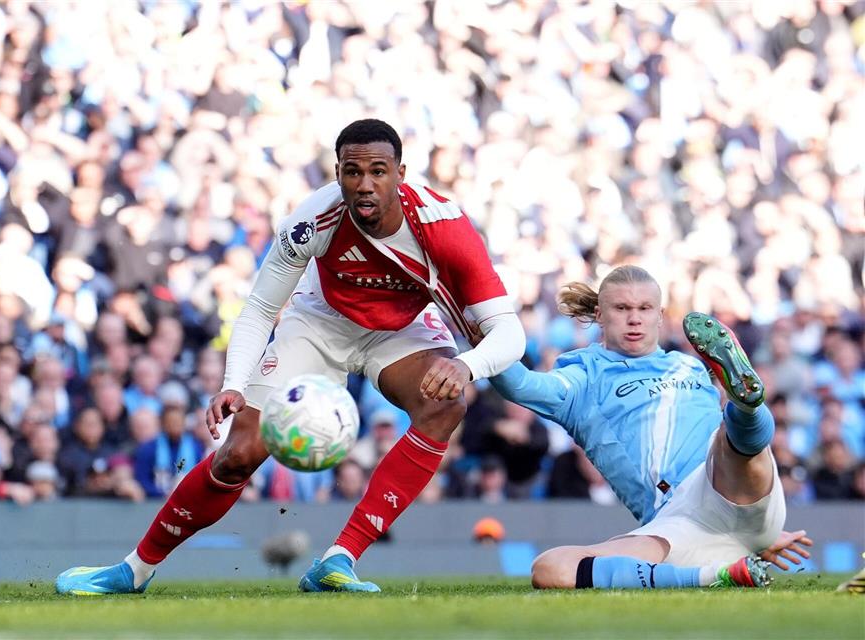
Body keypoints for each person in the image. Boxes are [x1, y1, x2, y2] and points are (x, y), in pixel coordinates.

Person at [55, 119, 525, 595]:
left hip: (400, 329)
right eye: (352, 171)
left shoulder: (444, 225)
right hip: (319, 322)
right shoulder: (312, 221)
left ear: (400, 174)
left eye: (378, 171)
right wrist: (234, 382)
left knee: (445, 405)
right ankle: (133, 570)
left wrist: (466, 365)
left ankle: (339, 559)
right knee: (237, 455)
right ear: (337, 173)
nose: (364, 185)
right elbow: (260, 307)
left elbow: (509, 331)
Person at [487, 265, 811, 590]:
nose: (634, 318)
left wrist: (750, 520)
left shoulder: (689, 366)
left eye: (644, 309)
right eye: (622, 308)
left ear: (660, 315)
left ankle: (747, 407)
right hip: (677, 524)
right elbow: (520, 386)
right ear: (600, 315)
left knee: (730, 437)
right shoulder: (583, 374)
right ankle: (720, 574)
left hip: (730, 483)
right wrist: (488, 339)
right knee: (550, 569)